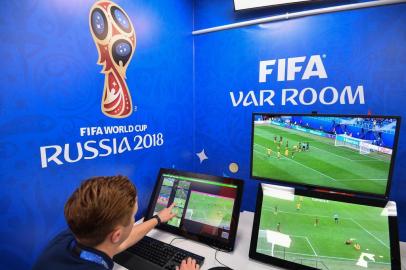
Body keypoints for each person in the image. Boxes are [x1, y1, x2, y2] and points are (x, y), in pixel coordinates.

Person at [33, 176, 199, 270]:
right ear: (116, 234)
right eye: (134, 217)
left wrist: (157, 219)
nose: (134, 220)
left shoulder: (66, 239)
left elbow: (118, 243)